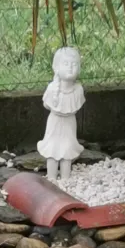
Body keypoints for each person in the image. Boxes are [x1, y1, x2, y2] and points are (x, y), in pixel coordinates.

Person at [37, 47, 84, 184]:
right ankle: (51, 177)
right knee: (52, 148)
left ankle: (65, 178)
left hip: (69, 122)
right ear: (56, 67)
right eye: (66, 64)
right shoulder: (52, 88)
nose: (70, 68)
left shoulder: (78, 89)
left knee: (68, 148)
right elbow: (47, 104)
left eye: (74, 64)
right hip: (54, 122)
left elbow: (76, 106)